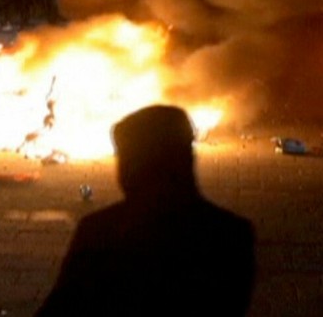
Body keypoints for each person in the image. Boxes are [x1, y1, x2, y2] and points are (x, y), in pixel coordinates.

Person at [36, 105, 255, 316]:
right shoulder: (233, 234)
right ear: (188, 159)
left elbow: (61, 307)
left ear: (137, 165)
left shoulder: (101, 233)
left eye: (125, 158)